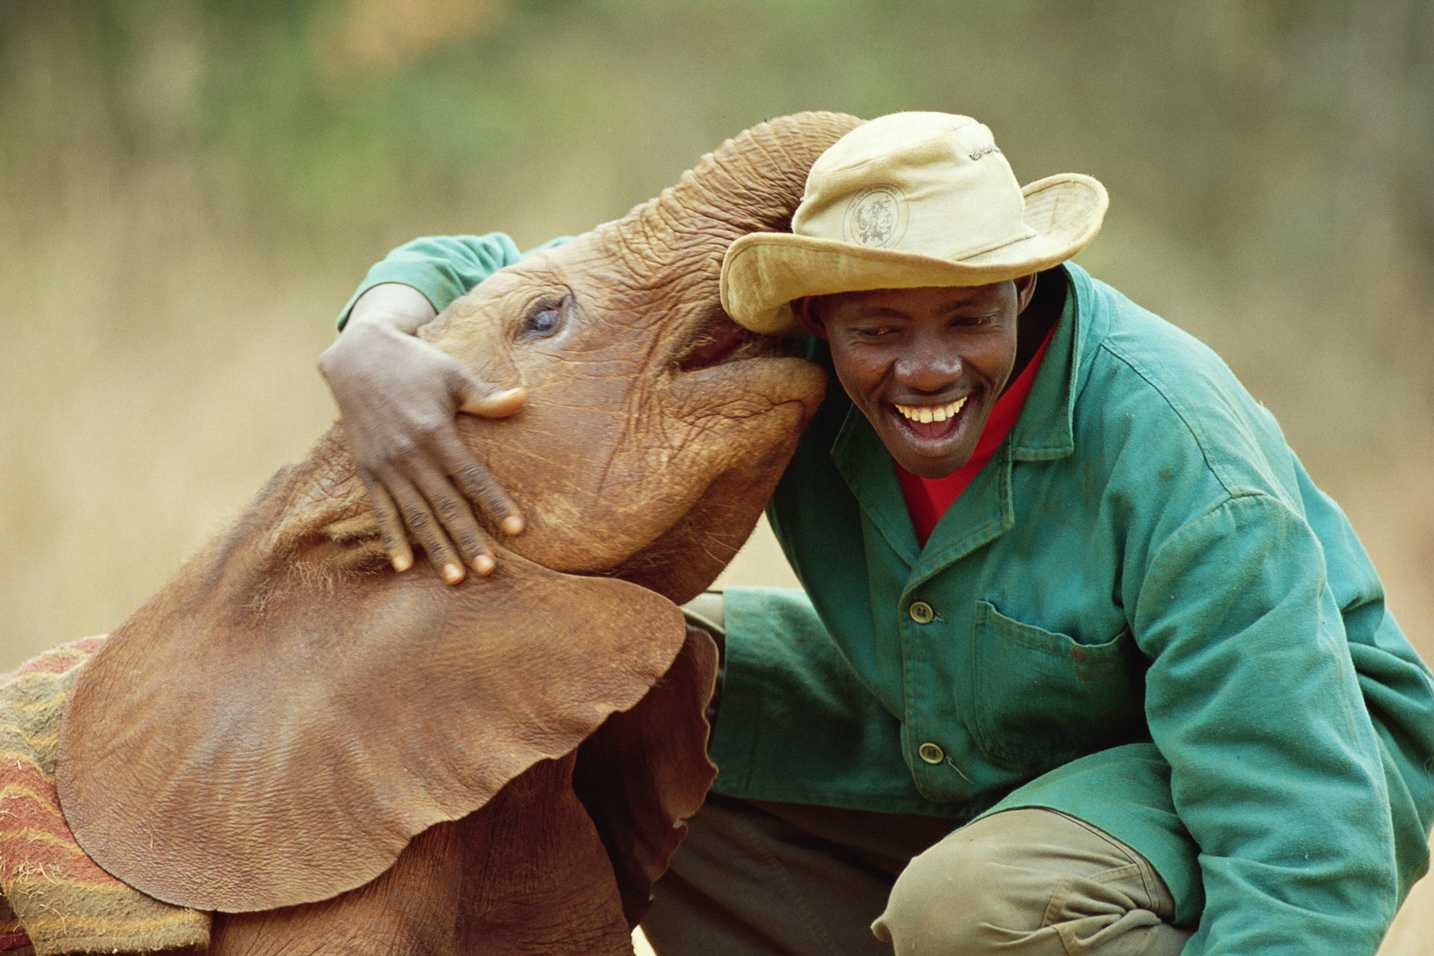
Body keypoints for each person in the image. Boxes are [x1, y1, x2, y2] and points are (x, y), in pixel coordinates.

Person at [317, 112, 1434, 954]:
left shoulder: (1177, 456)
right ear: (816, 318)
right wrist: (376, 337)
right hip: (972, 715)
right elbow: (517, 278)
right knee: (606, 687)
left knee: (975, 907)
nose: (930, 368)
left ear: (1026, 280)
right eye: (881, 328)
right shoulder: (776, 357)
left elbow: (1305, 844)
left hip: (1289, 749)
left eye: (969, 315)